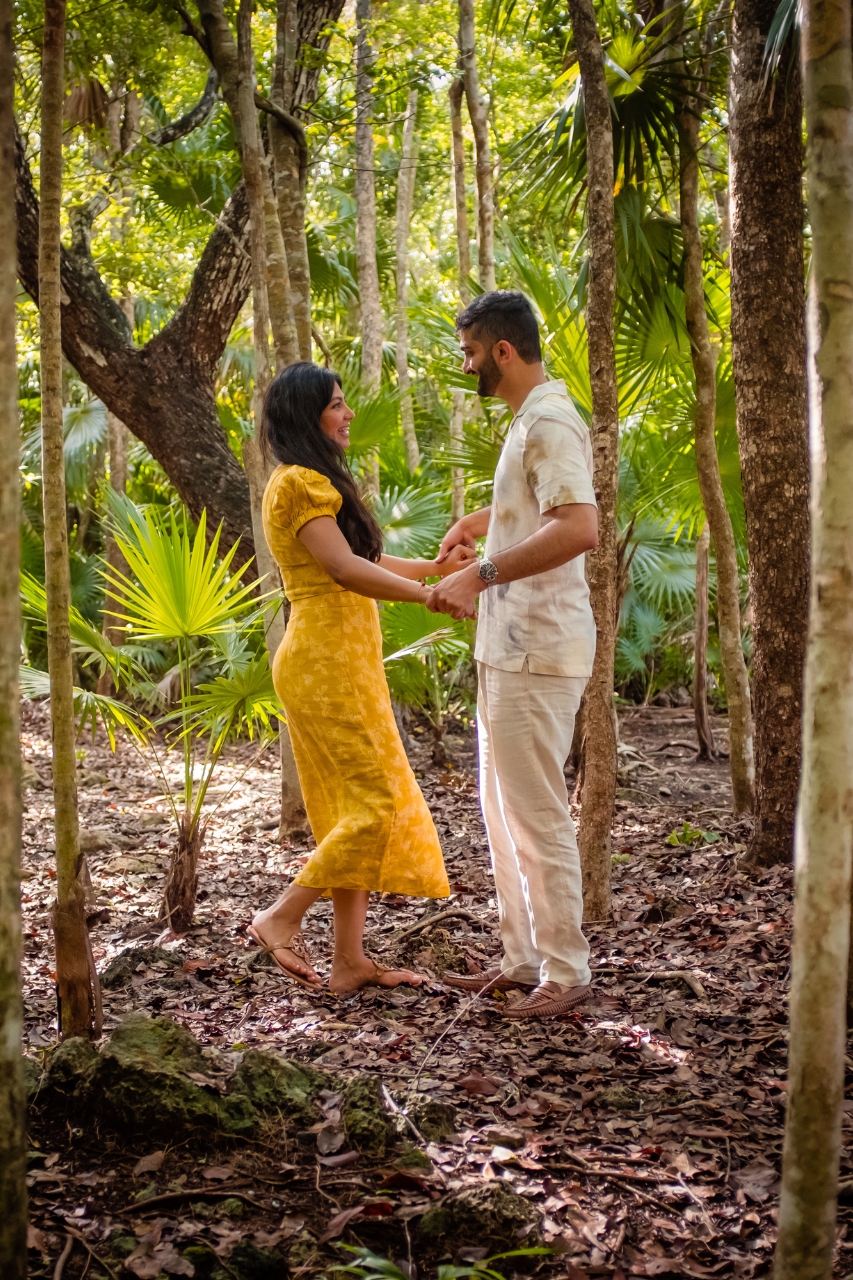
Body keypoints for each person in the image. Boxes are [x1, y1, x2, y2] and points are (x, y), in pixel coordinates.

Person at [248, 362, 475, 995]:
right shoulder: (296, 484)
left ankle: (349, 960)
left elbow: (363, 557)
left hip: (341, 661)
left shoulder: (311, 482)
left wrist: (430, 568)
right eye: (338, 404)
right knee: (375, 808)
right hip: (325, 664)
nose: (348, 414)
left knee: (350, 809)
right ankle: (280, 918)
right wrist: (428, 597)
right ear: (307, 415)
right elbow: (343, 570)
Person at [426, 291, 599, 1021]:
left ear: (501, 350)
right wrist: (479, 524)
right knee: (499, 812)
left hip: (538, 646)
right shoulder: (526, 422)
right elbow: (531, 509)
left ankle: (566, 970)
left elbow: (579, 528)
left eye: (469, 352)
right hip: (505, 649)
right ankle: (520, 958)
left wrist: (481, 572)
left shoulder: (552, 421)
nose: (466, 365)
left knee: (536, 814)